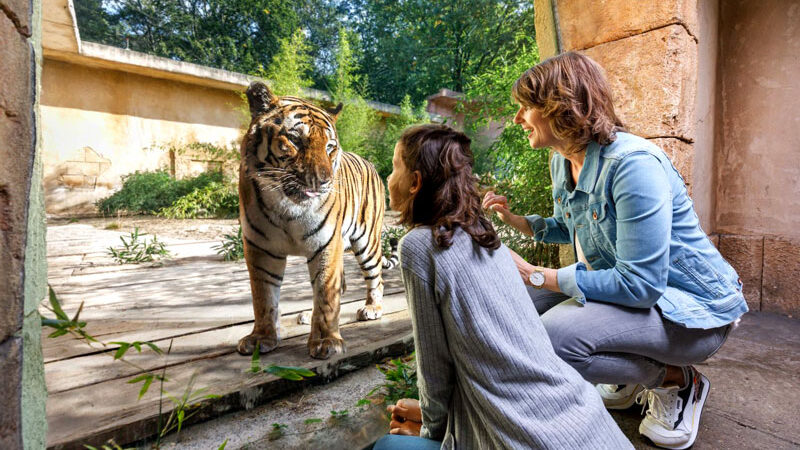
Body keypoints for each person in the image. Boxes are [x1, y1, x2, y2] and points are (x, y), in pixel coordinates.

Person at [481, 52, 748, 450]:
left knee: (556, 337)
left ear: (560, 106)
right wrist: (518, 221)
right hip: (637, 297)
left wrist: (540, 275)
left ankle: (678, 380)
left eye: (526, 107)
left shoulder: (632, 165)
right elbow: (572, 227)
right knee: (508, 300)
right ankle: (627, 371)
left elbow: (641, 284)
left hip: (692, 312)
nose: (518, 118)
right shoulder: (562, 161)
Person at [373, 124, 632, 450]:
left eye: (395, 167)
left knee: (388, 445)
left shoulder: (419, 247)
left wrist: (434, 434)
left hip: (525, 437)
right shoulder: (482, 231)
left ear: (415, 183)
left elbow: (435, 369)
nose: (388, 178)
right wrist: (426, 416)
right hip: (587, 419)